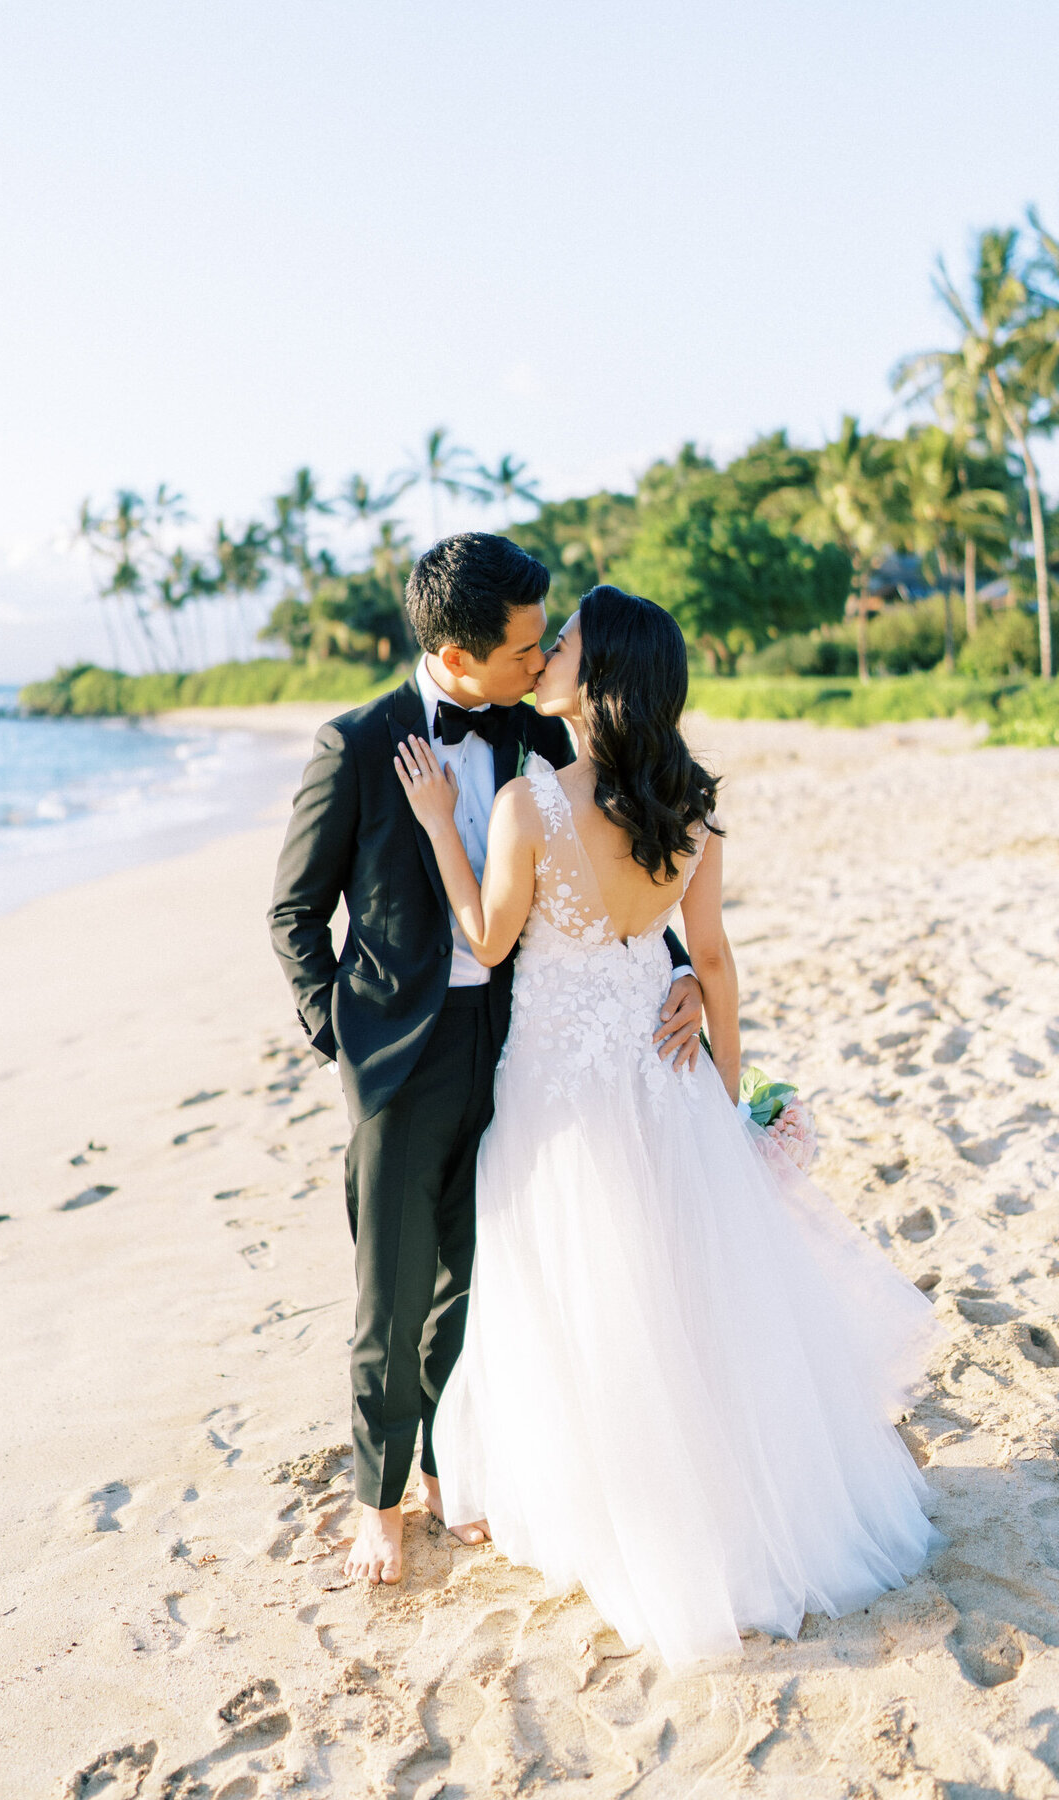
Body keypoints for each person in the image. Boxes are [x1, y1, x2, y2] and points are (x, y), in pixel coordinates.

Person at [394, 584, 943, 1668]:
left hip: (562, 1085)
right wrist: (728, 1110)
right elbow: (718, 962)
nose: (546, 655)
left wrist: (433, 832)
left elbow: (490, 940)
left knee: (586, 1295)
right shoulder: (689, 807)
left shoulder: (527, 804)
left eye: (566, 647)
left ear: (599, 680)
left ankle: (635, 1517)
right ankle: (731, 1498)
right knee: (690, 1292)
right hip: (668, 1073)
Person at [267, 539, 704, 1585]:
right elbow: (294, 911)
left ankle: (446, 1472)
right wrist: (346, 1038)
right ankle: (378, 1499)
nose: (537, 658)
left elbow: (616, 851)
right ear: (457, 657)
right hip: (399, 1058)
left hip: (519, 1042)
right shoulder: (357, 743)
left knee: (482, 1274)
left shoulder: (530, 729)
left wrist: (675, 965)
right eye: (520, 648)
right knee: (395, 1283)